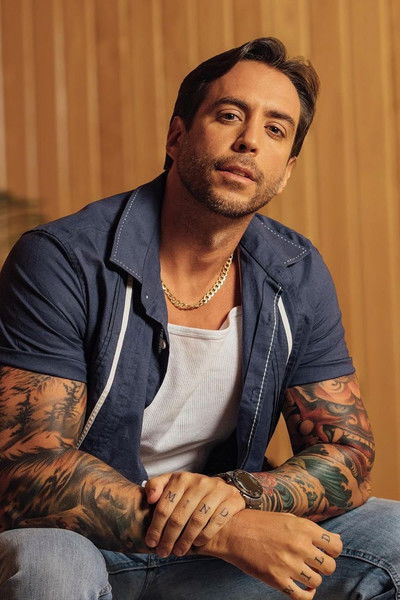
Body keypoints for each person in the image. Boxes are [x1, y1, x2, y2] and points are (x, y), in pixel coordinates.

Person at [0, 37, 398, 600]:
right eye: (229, 115)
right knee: (48, 567)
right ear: (177, 136)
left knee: (395, 537)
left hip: (216, 552)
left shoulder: (295, 272)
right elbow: (27, 472)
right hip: (86, 540)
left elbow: (349, 457)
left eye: (276, 129)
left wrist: (242, 495)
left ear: (285, 171)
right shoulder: (63, 259)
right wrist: (224, 530)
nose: (250, 140)